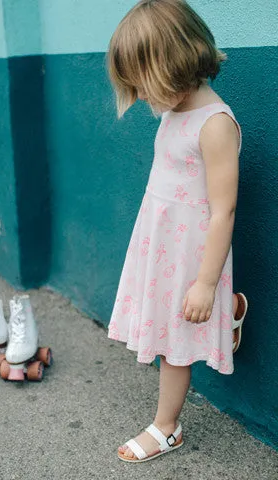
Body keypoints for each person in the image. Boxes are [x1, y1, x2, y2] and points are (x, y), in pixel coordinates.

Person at [107, 0, 248, 463]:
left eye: (144, 86)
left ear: (172, 65)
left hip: (192, 254)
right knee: (172, 327)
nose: (142, 97)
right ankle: (230, 310)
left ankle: (167, 427)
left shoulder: (216, 125)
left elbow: (223, 211)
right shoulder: (173, 112)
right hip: (162, 243)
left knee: (173, 344)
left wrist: (206, 282)